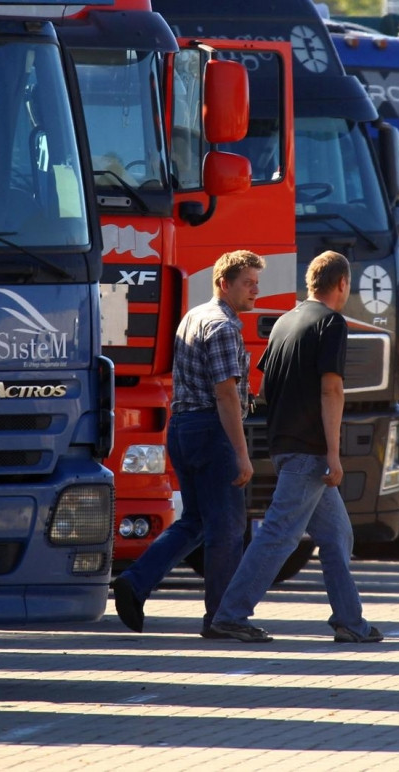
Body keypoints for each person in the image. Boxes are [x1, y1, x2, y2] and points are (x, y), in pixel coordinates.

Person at [210, 250, 383, 644]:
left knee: (337, 535)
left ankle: (349, 621)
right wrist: (334, 454)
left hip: (285, 444)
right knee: (279, 535)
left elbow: (267, 388)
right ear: (342, 285)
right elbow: (331, 388)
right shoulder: (332, 324)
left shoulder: (285, 321)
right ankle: (231, 615)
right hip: (311, 451)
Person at [112, 249, 264, 637]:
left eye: (256, 283)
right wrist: (242, 454)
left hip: (181, 427)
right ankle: (223, 619)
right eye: (248, 283)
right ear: (223, 283)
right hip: (213, 430)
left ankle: (135, 580)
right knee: (227, 529)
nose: (256, 291)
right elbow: (226, 394)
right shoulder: (223, 326)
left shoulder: (192, 316)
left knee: (195, 520)